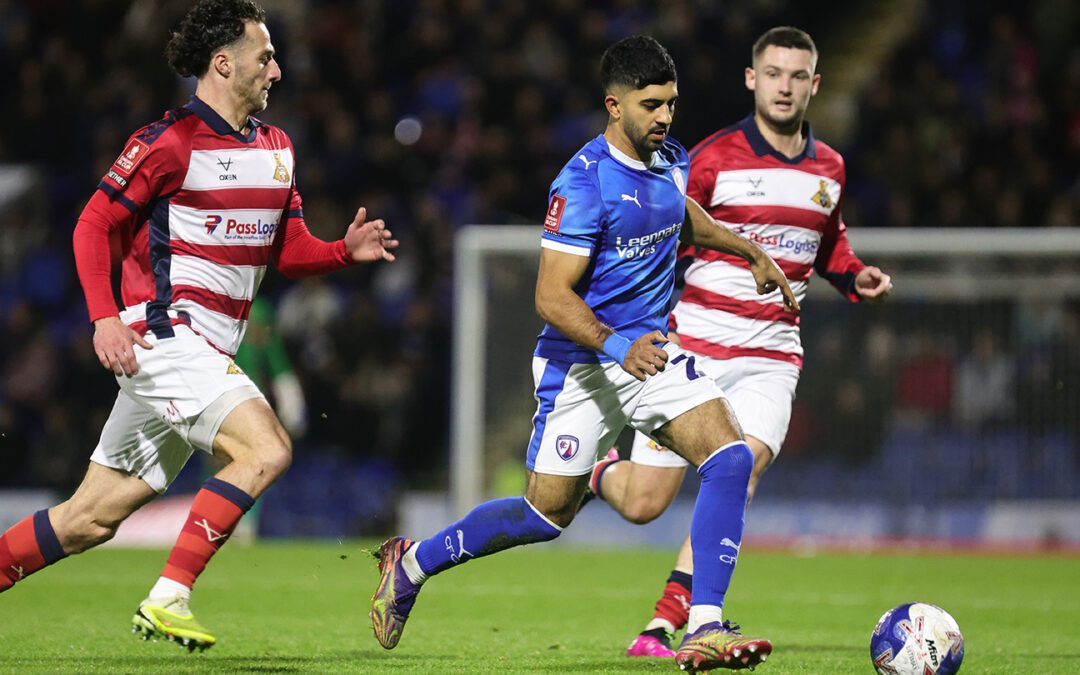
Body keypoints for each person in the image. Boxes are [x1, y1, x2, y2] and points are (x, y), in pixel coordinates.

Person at [370, 35, 798, 673]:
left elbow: (682, 215)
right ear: (613, 104)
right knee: (545, 514)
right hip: (584, 365)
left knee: (730, 457)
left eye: (672, 104)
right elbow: (550, 296)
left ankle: (703, 625)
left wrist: (750, 251)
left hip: (651, 354)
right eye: (651, 105)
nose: (664, 117)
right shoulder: (583, 182)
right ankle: (412, 564)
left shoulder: (669, 158)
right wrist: (616, 344)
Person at [0, 0, 397, 651]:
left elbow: (285, 249)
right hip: (164, 335)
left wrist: (337, 252)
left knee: (88, 519)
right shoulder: (168, 141)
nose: (276, 68)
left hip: (206, 351)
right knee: (266, 448)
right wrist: (103, 317)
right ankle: (168, 597)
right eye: (264, 55)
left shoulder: (277, 149)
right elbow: (92, 224)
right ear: (223, 62)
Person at [582, 27, 894, 658]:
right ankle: (602, 474)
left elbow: (828, 242)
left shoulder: (829, 168)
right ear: (752, 80)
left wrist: (853, 274)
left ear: (814, 85)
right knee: (643, 504)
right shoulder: (712, 158)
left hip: (771, 358)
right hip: (693, 347)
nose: (784, 85)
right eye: (772, 73)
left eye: (797, 75)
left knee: (739, 467)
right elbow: (662, 231)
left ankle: (678, 621)